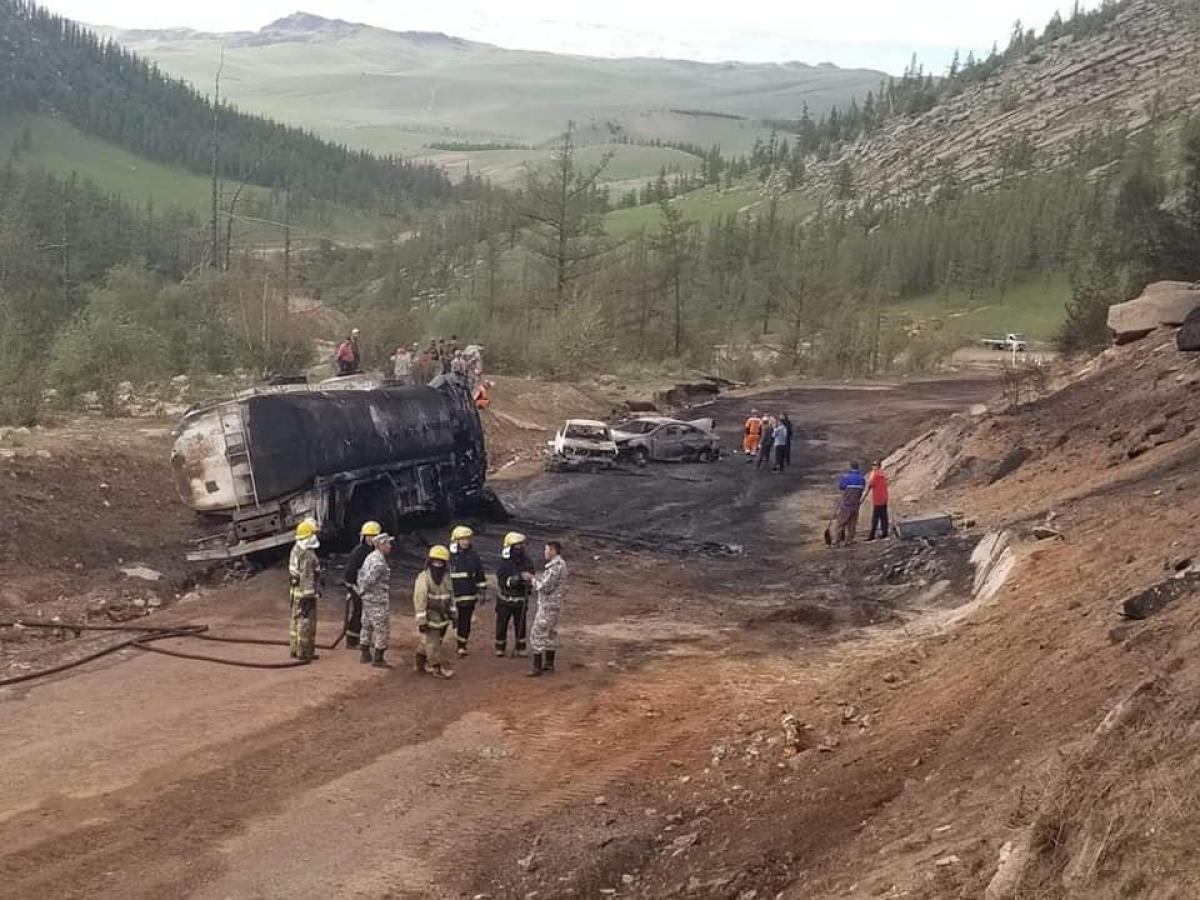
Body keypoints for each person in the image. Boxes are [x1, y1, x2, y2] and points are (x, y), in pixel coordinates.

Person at [413, 545, 456, 678]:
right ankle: (436, 668)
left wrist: (454, 616)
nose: (438, 565)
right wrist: (422, 620)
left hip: (443, 617)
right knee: (433, 643)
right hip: (430, 616)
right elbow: (420, 599)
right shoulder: (424, 578)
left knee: (429, 641)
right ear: (430, 562)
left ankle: (419, 663)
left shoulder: (446, 578)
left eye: (441, 562)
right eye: (435, 562)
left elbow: (451, 597)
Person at [355, 532, 395, 668]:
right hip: (377, 599)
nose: (390, 546)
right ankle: (378, 658)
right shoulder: (379, 563)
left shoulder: (370, 557)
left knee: (366, 625)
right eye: (388, 543)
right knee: (382, 628)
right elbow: (369, 580)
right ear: (381, 545)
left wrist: (361, 592)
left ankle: (365, 653)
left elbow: (360, 575)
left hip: (368, 598)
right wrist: (363, 590)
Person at [529, 541, 568, 677]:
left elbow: (544, 586)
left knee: (537, 634)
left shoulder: (555, 567)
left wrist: (532, 580)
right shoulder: (560, 565)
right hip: (555, 605)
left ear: (552, 551)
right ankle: (549, 664)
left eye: (546, 550)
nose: (544, 552)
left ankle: (537, 667)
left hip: (548, 606)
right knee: (551, 634)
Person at [449, 525, 488, 657]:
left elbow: (480, 575)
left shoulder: (474, 556)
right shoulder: (448, 556)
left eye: (467, 539)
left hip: (468, 595)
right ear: (456, 540)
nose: (466, 542)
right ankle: (435, 645)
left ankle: (462, 645)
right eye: (462, 539)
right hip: (450, 595)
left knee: (465, 621)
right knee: (443, 621)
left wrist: (482, 591)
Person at [342, 520, 381, 650]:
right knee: (359, 610)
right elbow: (350, 573)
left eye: (374, 536)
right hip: (355, 586)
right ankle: (352, 640)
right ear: (363, 537)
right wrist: (354, 588)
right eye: (369, 536)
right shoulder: (358, 552)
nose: (371, 539)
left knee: (369, 613)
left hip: (367, 587)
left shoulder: (376, 552)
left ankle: (364, 638)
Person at [495, 531, 534, 657]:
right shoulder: (504, 563)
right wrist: (518, 577)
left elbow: (531, 575)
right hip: (504, 600)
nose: (520, 548)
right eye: (517, 545)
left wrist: (529, 581)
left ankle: (521, 647)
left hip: (520, 600)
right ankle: (500, 647)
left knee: (521, 625)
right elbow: (503, 581)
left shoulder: (527, 561)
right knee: (502, 624)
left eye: (522, 545)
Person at [288, 519, 321, 661]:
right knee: (305, 622)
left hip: (295, 591)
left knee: (296, 621)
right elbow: (307, 577)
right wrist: (308, 595)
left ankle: (295, 649)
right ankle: (304, 652)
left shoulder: (296, 549)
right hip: (304, 594)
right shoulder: (307, 555)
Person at [834, 462, 867, 545]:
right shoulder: (861, 479)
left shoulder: (846, 477)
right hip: (856, 504)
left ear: (850, 467)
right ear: (858, 467)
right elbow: (862, 488)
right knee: (852, 522)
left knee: (841, 522)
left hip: (846, 503)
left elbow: (841, 487)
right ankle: (849, 540)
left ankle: (837, 540)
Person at [865, 460, 891, 541]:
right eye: (873, 465)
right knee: (884, 517)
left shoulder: (875, 475)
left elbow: (870, 484)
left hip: (878, 499)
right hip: (884, 498)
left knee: (875, 518)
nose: (873, 466)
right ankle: (884, 533)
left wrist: (871, 475)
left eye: (874, 465)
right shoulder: (882, 474)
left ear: (878, 466)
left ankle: (872, 535)